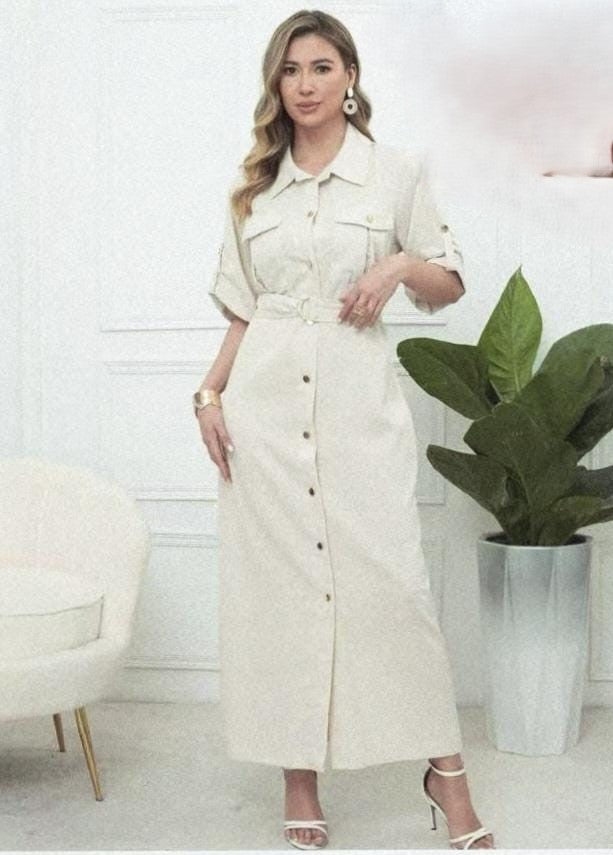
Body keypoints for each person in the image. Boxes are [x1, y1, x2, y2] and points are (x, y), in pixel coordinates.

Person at [195, 9, 495, 851]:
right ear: (275, 83)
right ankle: (299, 778)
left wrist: (396, 264)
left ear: (350, 76)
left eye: (321, 67)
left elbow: (448, 283)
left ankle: (445, 772)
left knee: (394, 586)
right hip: (263, 414)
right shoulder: (254, 191)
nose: (305, 85)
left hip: (356, 411)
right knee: (280, 595)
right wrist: (209, 395)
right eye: (290, 70)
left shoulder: (395, 173)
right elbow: (245, 311)